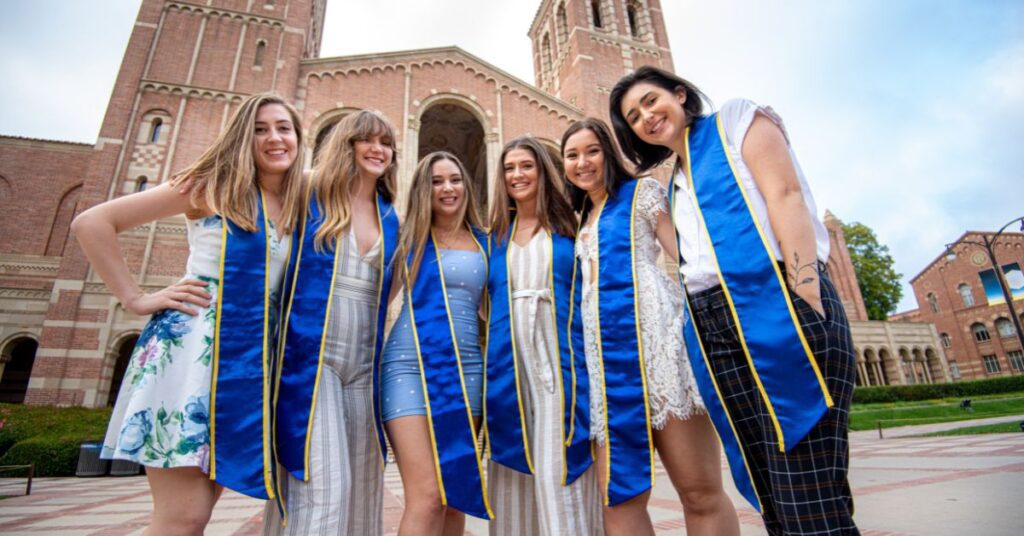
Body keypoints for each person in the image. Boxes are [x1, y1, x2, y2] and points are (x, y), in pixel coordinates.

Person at [610, 65, 859, 535]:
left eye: (650, 101)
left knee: (806, 486)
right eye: (633, 116)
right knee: (769, 489)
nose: (645, 116)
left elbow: (783, 194)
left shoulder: (736, 121)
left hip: (774, 307)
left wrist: (805, 292)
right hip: (714, 331)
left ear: (679, 94)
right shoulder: (676, 183)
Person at [74, 93, 305, 533]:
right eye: (260, 129)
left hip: (248, 369)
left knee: (195, 516)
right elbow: (92, 223)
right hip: (191, 357)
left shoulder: (295, 201)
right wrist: (135, 298)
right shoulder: (210, 185)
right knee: (185, 517)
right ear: (242, 137)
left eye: (283, 128)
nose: (274, 137)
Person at [560, 118, 738, 536]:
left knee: (699, 492)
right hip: (606, 367)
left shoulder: (642, 193)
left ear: (609, 151)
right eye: (572, 155)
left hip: (661, 351)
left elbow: (688, 262)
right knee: (619, 500)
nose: (583, 162)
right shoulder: (578, 221)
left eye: (592, 151)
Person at [264, 110, 401, 534]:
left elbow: (390, 288)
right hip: (313, 360)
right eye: (367, 139)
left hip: (364, 365)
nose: (378, 149)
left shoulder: (390, 215)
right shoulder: (308, 192)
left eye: (386, 142)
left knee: (364, 490)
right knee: (323, 486)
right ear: (348, 144)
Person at [485, 137, 600, 535]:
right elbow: (487, 300)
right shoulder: (495, 235)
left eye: (526, 166)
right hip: (509, 361)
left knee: (559, 462)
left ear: (543, 172)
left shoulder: (571, 225)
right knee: (516, 470)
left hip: (559, 357)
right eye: (509, 168)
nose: (517, 175)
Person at [382, 151, 492, 534]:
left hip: (466, 372)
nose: (448, 188)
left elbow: (495, 313)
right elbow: (375, 299)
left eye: (455, 179)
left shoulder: (485, 242)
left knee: (455, 492)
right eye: (436, 181)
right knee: (427, 496)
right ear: (422, 189)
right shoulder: (406, 235)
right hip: (407, 367)